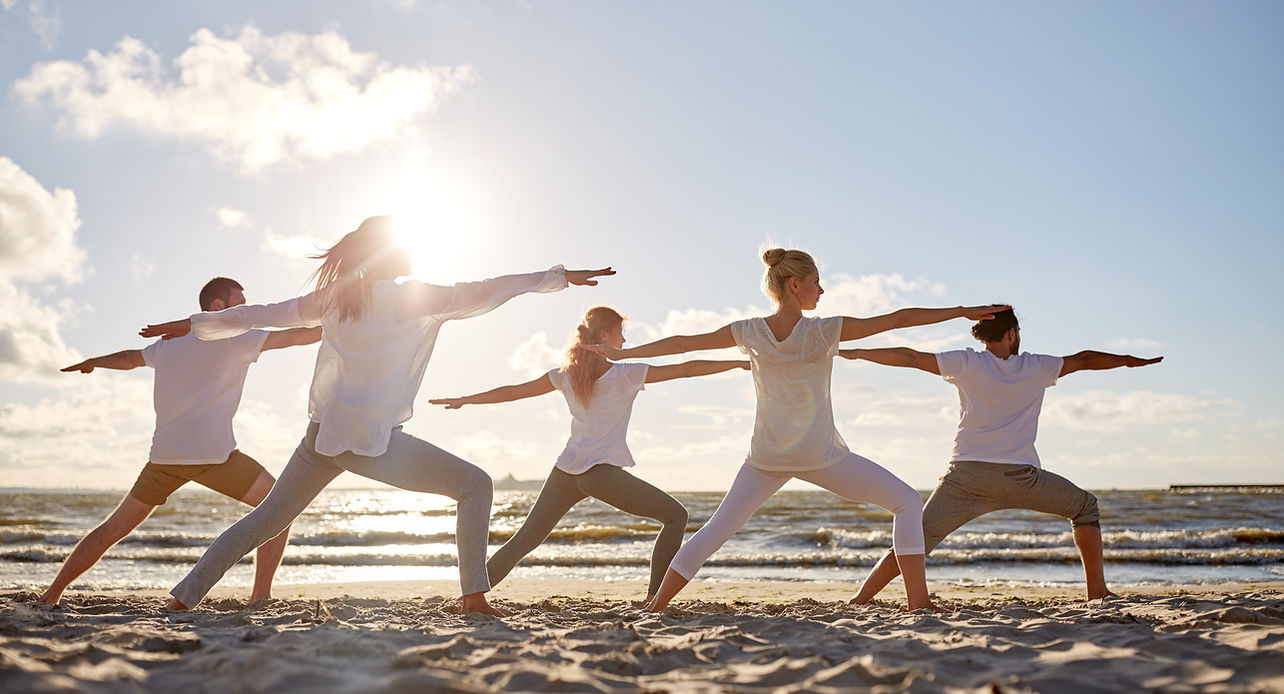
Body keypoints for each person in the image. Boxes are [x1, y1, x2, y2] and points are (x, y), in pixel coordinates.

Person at [140, 216, 613, 616]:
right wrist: (558, 278)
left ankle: (182, 601)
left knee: (266, 519)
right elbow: (490, 288)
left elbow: (259, 314)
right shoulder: (417, 297)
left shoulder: (338, 297)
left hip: (322, 435)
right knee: (476, 486)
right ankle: (474, 598)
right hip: (369, 441)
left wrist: (191, 325)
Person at [587, 248, 1007, 612]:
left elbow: (682, 343)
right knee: (905, 502)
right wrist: (959, 311)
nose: (821, 291)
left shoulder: (749, 330)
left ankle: (657, 606)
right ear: (793, 285)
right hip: (819, 455)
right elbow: (898, 318)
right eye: (816, 282)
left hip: (766, 457)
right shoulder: (824, 331)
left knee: (715, 530)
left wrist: (623, 354)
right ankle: (918, 603)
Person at [842, 307, 1162, 603]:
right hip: (1020, 478)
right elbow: (1085, 359)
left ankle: (861, 598)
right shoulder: (1036, 366)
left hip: (966, 478)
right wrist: (1128, 359)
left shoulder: (966, 362)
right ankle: (1098, 592)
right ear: (1012, 333)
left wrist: (856, 353)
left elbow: (909, 357)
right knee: (1085, 507)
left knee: (916, 540)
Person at [429, 306, 749, 601]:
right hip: (600, 474)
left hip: (565, 472)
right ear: (604, 336)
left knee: (523, 541)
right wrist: (737, 363)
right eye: (620, 332)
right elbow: (687, 369)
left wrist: (465, 399)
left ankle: (468, 599)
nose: (624, 339)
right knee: (676, 516)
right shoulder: (625, 374)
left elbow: (513, 392)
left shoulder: (566, 375)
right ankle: (654, 601)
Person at [40, 277, 321, 605]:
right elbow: (301, 335)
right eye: (239, 303)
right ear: (217, 306)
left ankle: (51, 595)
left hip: (165, 460)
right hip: (216, 459)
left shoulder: (170, 343)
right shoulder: (238, 339)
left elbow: (130, 358)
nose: (245, 311)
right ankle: (260, 595)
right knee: (279, 509)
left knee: (114, 527)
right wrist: (348, 319)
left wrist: (93, 362)